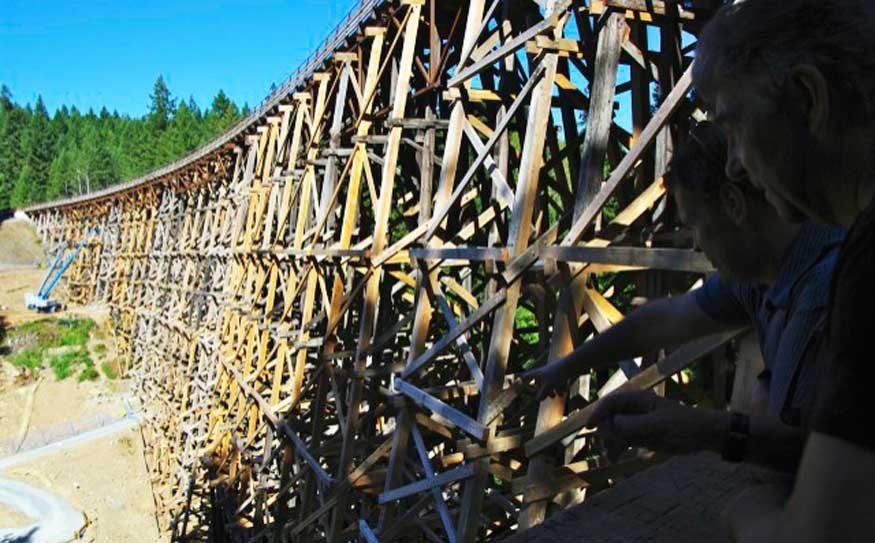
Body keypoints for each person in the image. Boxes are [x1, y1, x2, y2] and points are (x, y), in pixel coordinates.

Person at [593, 0, 875, 540]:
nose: (734, 162)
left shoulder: (855, 267)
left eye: (735, 125)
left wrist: (741, 514)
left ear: (807, 97)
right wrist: (714, 431)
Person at [524, 121, 841, 469]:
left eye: (694, 223)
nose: (694, 243)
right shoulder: (761, 276)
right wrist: (568, 365)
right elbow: (662, 322)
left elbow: (817, 463)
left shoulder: (826, 295)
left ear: (733, 204)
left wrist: (701, 431)